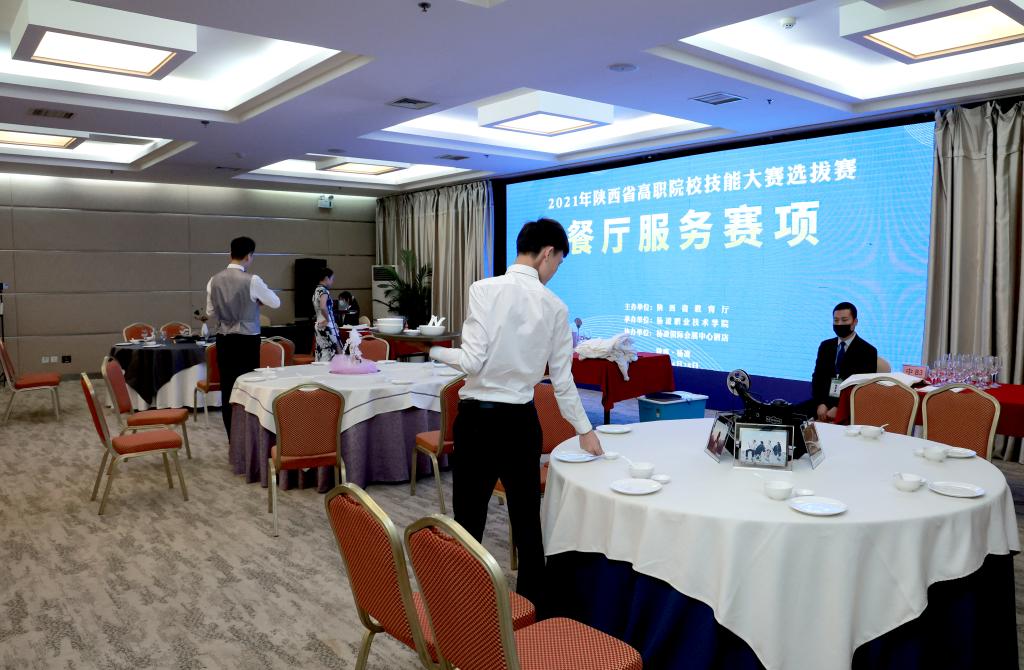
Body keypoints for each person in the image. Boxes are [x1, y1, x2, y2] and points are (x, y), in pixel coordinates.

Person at [427, 218, 602, 608]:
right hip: (520, 423)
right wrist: (585, 430)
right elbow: (562, 381)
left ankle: (465, 605)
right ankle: (533, 607)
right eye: (558, 263)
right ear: (547, 253)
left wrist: (435, 351)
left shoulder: (483, 290)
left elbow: (471, 361)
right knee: (527, 521)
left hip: (476, 421)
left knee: (468, 517)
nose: (554, 271)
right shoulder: (555, 307)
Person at [206, 236, 280, 438]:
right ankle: (247, 439)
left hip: (223, 340)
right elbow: (275, 302)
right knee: (248, 389)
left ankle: (233, 439)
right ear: (249, 256)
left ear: (230, 254)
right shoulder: (252, 280)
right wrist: (255, 302)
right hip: (247, 340)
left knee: (228, 388)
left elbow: (210, 311)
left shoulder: (214, 280)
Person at [807, 301, 878, 422]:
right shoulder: (825, 346)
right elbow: (817, 377)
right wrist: (820, 404)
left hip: (849, 406)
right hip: (823, 403)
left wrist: (839, 407)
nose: (839, 324)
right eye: (836, 320)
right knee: (793, 415)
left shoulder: (868, 351)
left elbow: (862, 388)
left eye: (844, 320)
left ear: (855, 322)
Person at [313, 268, 341, 362]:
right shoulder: (324, 291)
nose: (332, 281)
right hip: (327, 325)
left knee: (322, 350)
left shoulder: (316, 290)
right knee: (334, 349)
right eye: (332, 279)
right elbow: (323, 306)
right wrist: (328, 319)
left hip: (319, 323)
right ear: (326, 278)